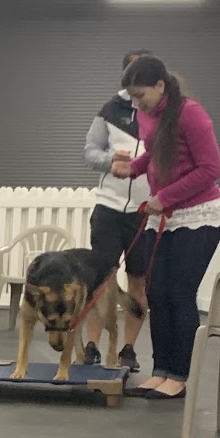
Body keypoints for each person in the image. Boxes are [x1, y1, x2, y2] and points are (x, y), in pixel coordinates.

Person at [110, 55, 220, 399]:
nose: (135, 102)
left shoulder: (191, 114)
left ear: (160, 87)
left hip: (197, 217)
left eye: (140, 95)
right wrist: (135, 168)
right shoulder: (148, 114)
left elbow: (210, 168)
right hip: (164, 216)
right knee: (155, 292)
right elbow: (157, 152)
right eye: (131, 96)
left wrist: (168, 195)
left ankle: (180, 375)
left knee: (179, 293)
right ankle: (160, 370)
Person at [83, 49, 150, 370]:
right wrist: (111, 161)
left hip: (145, 211)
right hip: (109, 206)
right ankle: (93, 344)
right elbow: (89, 152)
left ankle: (128, 349)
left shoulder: (163, 113)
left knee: (138, 282)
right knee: (102, 278)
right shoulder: (110, 109)